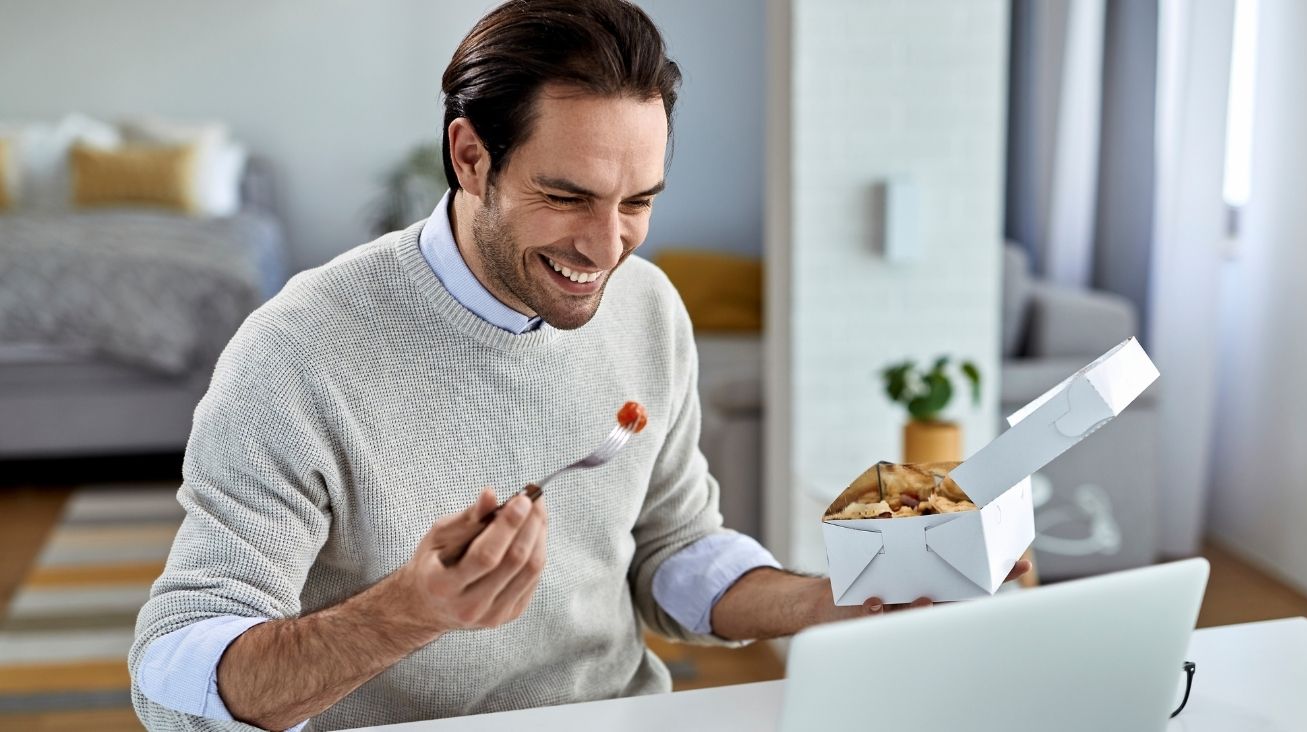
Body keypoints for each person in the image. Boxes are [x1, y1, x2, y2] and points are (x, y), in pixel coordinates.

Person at [130, 1, 1029, 730]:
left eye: (638, 202)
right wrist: (408, 611)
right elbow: (171, 676)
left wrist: (830, 604)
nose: (607, 247)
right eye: (567, 198)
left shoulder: (646, 308)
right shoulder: (298, 352)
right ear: (470, 156)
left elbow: (674, 547)